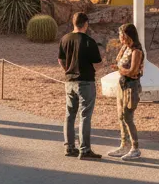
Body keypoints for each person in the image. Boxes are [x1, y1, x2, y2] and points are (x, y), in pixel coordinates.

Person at [57, 11, 102, 159]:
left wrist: (67, 70)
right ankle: (85, 149)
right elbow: (98, 63)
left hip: (69, 80)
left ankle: (69, 147)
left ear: (73, 23)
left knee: (70, 114)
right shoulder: (89, 41)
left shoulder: (65, 39)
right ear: (86, 24)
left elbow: (61, 59)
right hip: (85, 81)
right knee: (85, 115)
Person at [108, 23, 144, 160]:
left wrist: (121, 69)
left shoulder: (136, 51)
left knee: (128, 117)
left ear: (128, 36)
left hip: (131, 87)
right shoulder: (125, 48)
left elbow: (133, 71)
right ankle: (125, 144)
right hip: (122, 84)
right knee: (121, 116)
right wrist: (121, 69)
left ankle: (135, 147)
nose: (120, 38)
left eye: (122, 36)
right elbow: (118, 61)